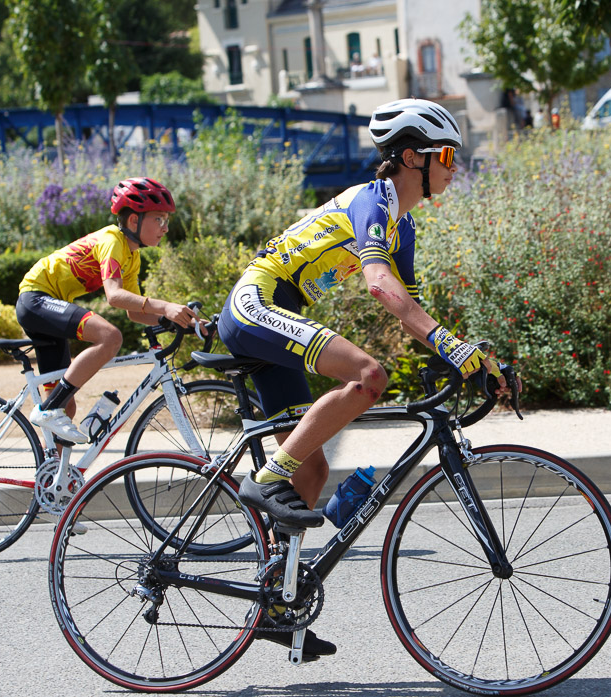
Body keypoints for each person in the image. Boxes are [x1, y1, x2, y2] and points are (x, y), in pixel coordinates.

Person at [218, 98, 509, 659]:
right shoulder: (374, 200)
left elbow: (411, 308)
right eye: (446, 154)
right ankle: (265, 479)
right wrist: (453, 346)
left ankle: (277, 603)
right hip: (256, 303)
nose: (454, 165)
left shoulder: (404, 226)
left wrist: (475, 364)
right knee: (368, 375)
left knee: (317, 467)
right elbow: (380, 285)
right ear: (410, 158)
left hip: (280, 313)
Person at [17, 177, 203, 444]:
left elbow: (135, 312)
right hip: (36, 299)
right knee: (110, 336)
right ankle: (48, 409)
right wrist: (166, 306)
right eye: (158, 220)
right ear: (133, 221)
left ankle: (53, 480)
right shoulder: (112, 240)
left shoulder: (132, 256)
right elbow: (114, 296)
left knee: (66, 408)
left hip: (49, 308)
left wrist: (186, 320)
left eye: (166, 221)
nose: (165, 228)